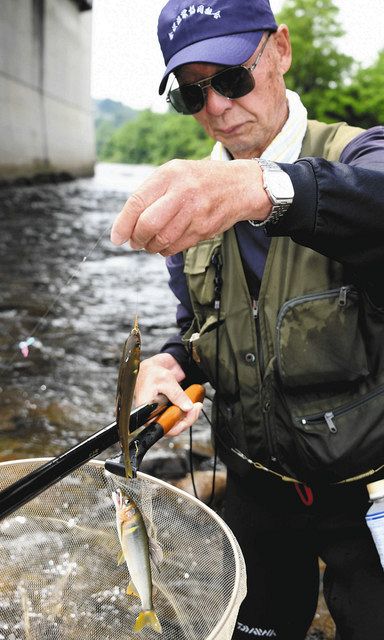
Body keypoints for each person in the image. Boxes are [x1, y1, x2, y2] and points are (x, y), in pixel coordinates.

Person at [111, 0, 384, 638]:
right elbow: (202, 332)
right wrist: (169, 364)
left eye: (232, 77)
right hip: (256, 493)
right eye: (191, 92)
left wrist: (262, 187)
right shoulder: (191, 208)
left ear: (281, 51)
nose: (217, 107)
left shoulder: (363, 154)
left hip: (370, 490)